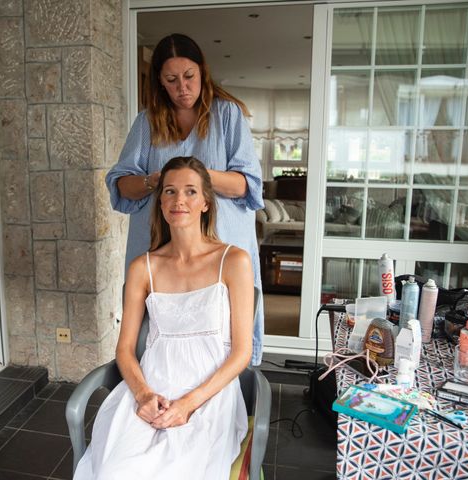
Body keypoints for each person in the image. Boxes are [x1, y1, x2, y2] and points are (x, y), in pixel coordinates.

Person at [75, 157, 254, 479]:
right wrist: (143, 395)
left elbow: (242, 353)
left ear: (205, 202)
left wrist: (188, 404)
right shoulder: (143, 267)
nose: (178, 200)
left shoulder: (234, 260)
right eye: (169, 191)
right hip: (151, 386)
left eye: (189, 191)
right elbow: (125, 350)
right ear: (160, 202)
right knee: (116, 470)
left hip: (209, 392)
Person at [106, 33, 265, 365]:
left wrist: (194, 176)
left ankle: (233, 397)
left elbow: (245, 186)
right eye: (171, 79)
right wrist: (154, 180)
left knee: (224, 331)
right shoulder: (147, 122)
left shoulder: (228, 116)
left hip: (218, 244)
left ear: (202, 72)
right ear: (160, 83)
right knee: (155, 334)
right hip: (159, 244)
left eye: (189, 76)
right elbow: (121, 187)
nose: (182, 87)